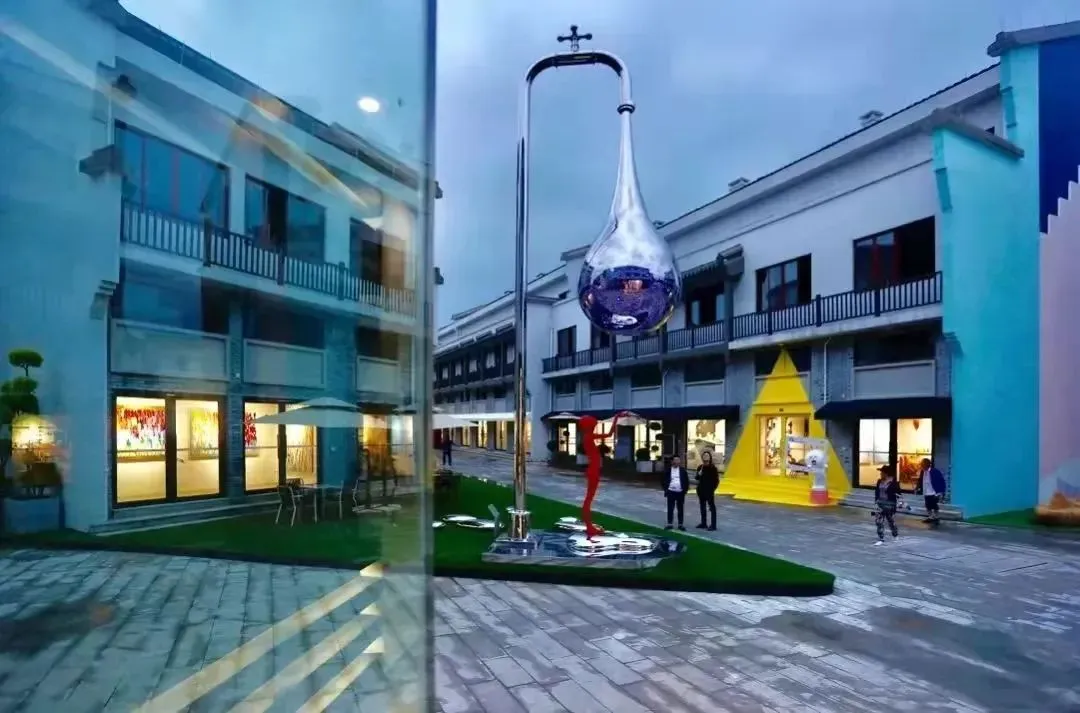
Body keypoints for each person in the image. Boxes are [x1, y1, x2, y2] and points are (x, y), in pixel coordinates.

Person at [873, 463, 905, 545]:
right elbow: (877, 492)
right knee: (879, 521)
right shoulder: (879, 481)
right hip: (880, 503)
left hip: (889, 504)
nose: (880, 474)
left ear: (886, 473)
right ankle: (881, 538)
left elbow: (898, 494)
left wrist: (900, 503)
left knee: (890, 521)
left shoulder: (894, 483)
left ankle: (895, 535)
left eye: (882, 472)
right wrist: (876, 501)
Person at [662, 455, 689, 531]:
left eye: (678, 460)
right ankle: (670, 524)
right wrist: (666, 489)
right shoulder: (668, 470)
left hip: (680, 492)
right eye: (676, 460)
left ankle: (680, 524)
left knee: (680, 508)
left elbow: (686, 481)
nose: (677, 462)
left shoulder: (683, 470)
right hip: (671, 491)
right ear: (672, 461)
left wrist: (685, 490)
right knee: (670, 508)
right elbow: (663, 480)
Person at [916, 457, 947, 524]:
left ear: (926, 465)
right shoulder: (922, 472)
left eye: (922, 465)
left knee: (934, 505)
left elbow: (941, 481)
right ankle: (930, 517)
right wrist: (917, 488)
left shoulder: (935, 471)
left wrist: (941, 492)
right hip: (926, 491)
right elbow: (920, 480)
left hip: (934, 492)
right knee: (928, 505)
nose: (921, 466)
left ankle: (936, 517)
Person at [695, 450, 719, 531]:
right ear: (702, 457)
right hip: (701, 490)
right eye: (704, 455)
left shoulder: (713, 468)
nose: (705, 456)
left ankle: (713, 525)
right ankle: (703, 523)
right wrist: (698, 474)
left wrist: (712, 489)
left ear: (710, 457)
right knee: (702, 507)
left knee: (712, 508)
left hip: (709, 491)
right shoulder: (700, 467)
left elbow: (716, 481)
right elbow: (696, 478)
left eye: (707, 455)